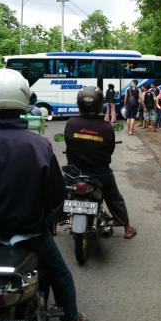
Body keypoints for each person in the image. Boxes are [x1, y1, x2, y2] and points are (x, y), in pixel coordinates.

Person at [0, 68, 87, 321]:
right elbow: (55, 196)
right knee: (60, 274)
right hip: (32, 233)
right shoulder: (39, 144)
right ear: (23, 99)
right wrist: (49, 219)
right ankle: (72, 320)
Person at [65, 86, 136, 239]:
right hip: (100, 173)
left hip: (74, 173)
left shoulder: (71, 123)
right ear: (98, 105)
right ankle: (127, 229)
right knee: (114, 198)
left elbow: (68, 144)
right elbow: (109, 151)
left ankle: (52, 224)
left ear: (79, 104)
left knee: (60, 194)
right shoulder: (106, 127)